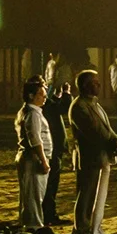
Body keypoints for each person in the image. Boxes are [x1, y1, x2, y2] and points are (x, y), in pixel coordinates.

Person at [69, 70, 117, 234]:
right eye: (94, 82)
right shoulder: (79, 106)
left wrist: (115, 141)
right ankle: (82, 229)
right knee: (87, 193)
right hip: (90, 156)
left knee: (98, 194)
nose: (98, 85)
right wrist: (112, 141)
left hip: (100, 155)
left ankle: (94, 229)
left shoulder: (94, 104)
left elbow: (106, 128)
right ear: (85, 85)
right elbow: (93, 131)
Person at [15, 77, 52, 228]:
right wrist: (43, 160)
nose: (44, 98)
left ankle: (29, 224)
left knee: (29, 195)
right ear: (31, 96)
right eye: (41, 95)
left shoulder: (27, 111)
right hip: (34, 158)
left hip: (28, 156)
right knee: (34, 196)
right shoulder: (33, 114)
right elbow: (35, 139)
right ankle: (34, 227)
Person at [41, 80, 71, 225]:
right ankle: (49, 214)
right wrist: (66, 93)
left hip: (54, 147)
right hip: (53, 148)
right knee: (51, 183)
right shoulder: (45, 104)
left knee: (51, 183)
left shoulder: (46, 103)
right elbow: (63, 108)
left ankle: (47, 213)